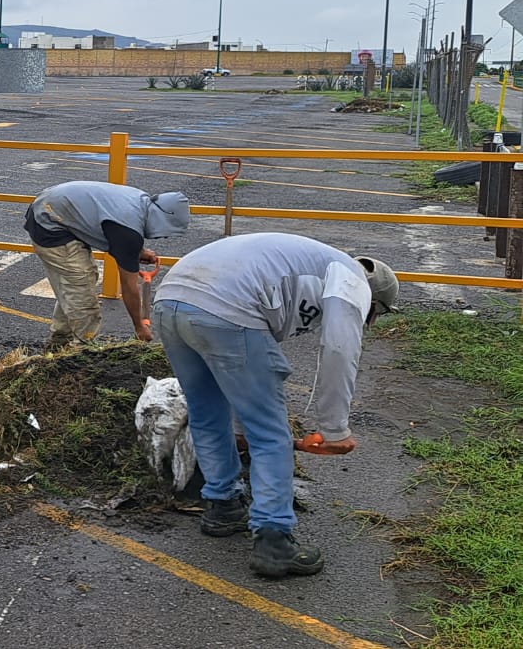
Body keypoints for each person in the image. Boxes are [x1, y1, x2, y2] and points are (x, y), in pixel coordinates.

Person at [152, 233, 398, 579]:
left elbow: (240, 370)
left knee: (207, 414)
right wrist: (334, 430)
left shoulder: (306, 270)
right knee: (270, 435)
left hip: (172, 299)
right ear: (374, 304)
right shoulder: (352, 279)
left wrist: (239, 428)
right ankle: (274, 541)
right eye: (374, 316)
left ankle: (222, 506)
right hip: (225, 306)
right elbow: (340, 351)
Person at [23, 181, 191, 346]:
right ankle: (81, 352)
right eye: (167, 231)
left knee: (77, 284)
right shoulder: (128, 234)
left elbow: (117, 228)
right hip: (49, 222)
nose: (164, 237)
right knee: (81, 287)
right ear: (162, 219)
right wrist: (139, 326)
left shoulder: (142, 202)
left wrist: (138, 252)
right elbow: (129, 287)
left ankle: (59, 342)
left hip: (55, 206)